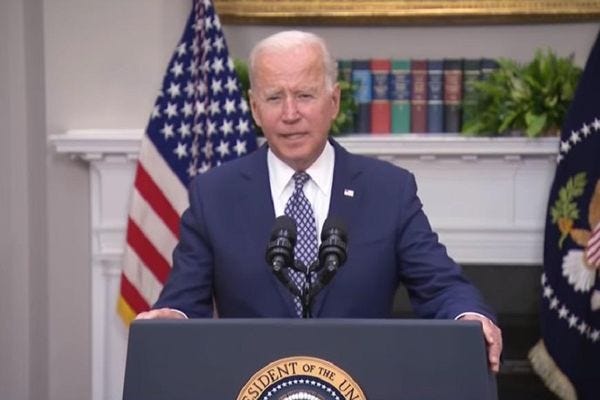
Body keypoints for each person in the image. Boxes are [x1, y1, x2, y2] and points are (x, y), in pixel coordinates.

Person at [137, 30, 502, 372]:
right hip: (251, 383)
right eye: (274, 98)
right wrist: (171, 319)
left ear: (334, 101)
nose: (290, 114)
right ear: (254, 108)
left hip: (360, 382)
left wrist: (470, 317)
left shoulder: (388, 191)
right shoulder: (214, 194)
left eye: (305, 96)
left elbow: (441, 286)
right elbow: (183, 301)